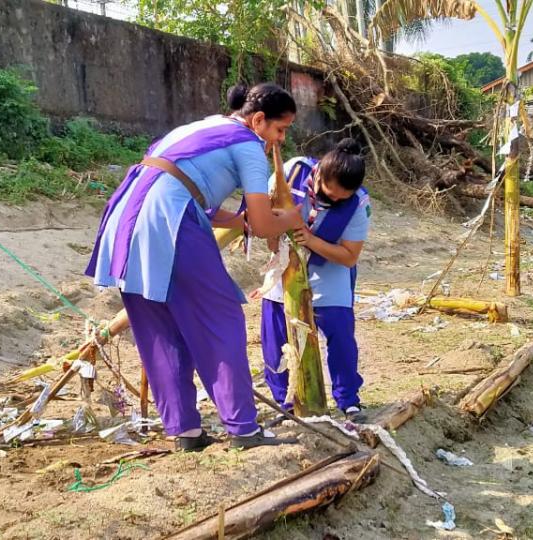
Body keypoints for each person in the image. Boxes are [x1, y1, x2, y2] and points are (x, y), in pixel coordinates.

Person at [86, 83, 305, 452]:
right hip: (168, 221)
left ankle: (185, 432)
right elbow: (264, 224)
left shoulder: (203, 126)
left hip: (126, 218)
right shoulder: (249, 144)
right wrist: (292, 218)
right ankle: (243, 429)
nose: (280, 140)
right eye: (280, 130)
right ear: (258, 120)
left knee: (158, 326)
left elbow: (187, 189)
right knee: (220, 318)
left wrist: (240, 221)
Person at [259, 138, 371, 422]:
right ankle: (285, 401)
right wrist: (275, 234)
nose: (332, 201)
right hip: (285, 264)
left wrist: (310, 240)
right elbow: (265, 214)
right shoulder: (292, 171)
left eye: (340, 199)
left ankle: (348, 400)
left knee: (340, 335)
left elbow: (349, 256)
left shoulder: (358, 203)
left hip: (330, 268)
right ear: (319, 173)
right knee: (276, 335)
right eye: (328, 193)